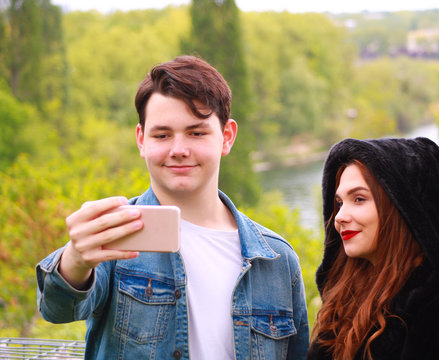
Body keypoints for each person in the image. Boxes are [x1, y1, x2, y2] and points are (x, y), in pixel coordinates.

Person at [36, 55, 309, 360]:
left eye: (196, 132)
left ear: (227, 137)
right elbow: (57, 308)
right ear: (141, 140)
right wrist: (74, 259)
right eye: (162, 135)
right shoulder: (114, 233)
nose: (179, 150)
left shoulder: (277, 260)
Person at [308, 137, 439, 360]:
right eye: (339, 203)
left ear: (402, 207)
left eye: (359, 199)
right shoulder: (344, 302)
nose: (340, 217)